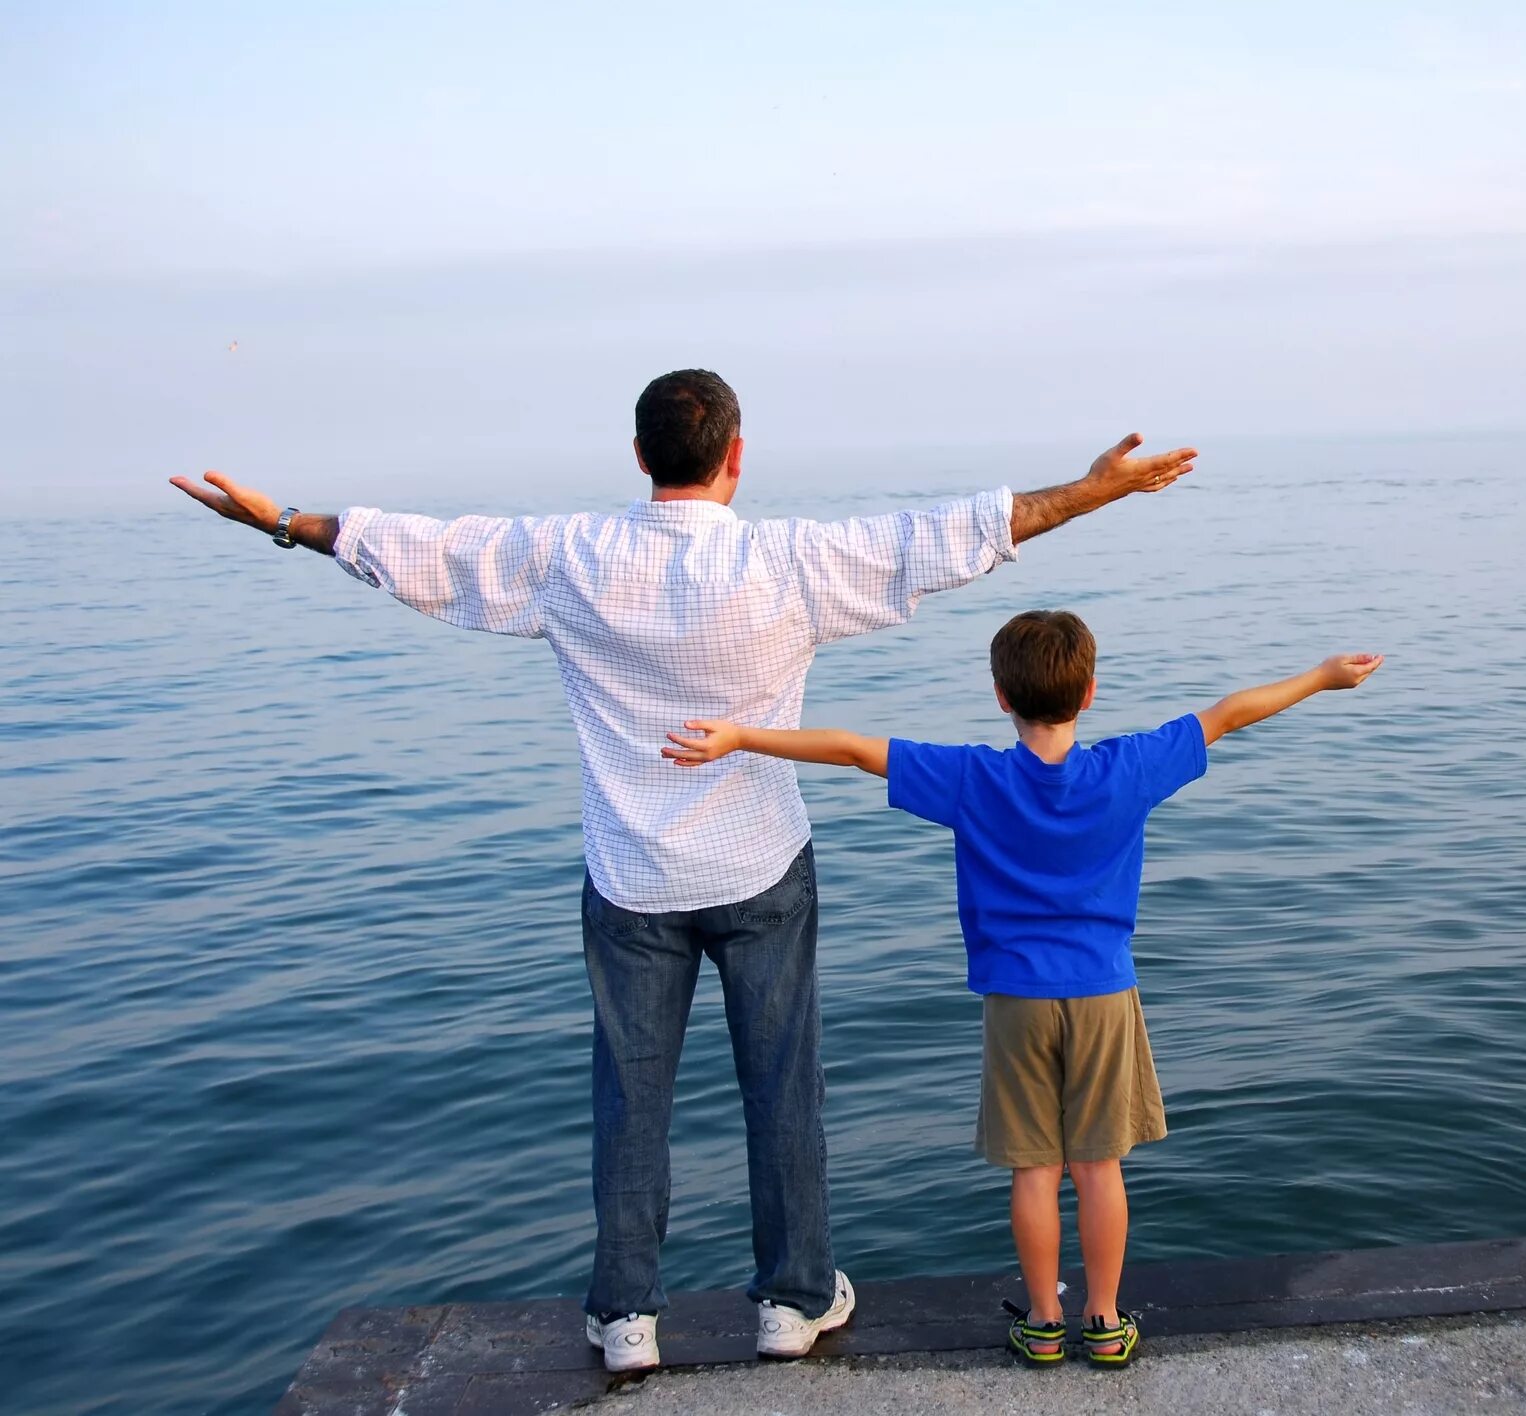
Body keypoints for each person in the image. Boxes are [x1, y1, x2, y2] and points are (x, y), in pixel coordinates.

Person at [169, 370, 1198, 1372]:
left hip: (630, 880)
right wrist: (1097, 490)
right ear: (735, 458)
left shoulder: (570, 555)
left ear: (639, 454)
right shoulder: (787, 564)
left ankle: (626, 1317)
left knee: (631, 1098)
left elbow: (429, 551)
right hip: (760, 868)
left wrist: (287, 522)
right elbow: (951, 536)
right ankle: (793, 1302)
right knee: (781, 1090)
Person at [661, 610, 1383, 1366]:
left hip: (1014, 1001)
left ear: (1001, 696)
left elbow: (850, 750)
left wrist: (741, 737)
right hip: (1104, 994)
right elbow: (1230, 713)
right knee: (1099, 1167)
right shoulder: (1128, 769)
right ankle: (1103, 1323)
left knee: (1035, 1168)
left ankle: (1043, 1322)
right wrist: (1323, 678)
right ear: (1091, 692)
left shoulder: (974, 779)